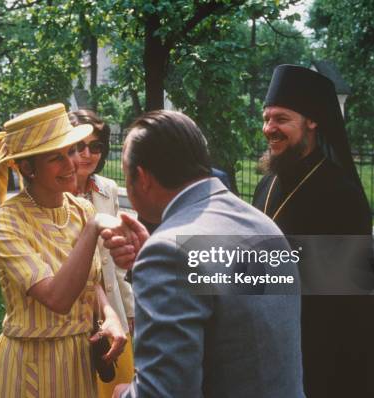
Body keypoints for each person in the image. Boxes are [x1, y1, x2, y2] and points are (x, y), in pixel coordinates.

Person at [102, 110, 304, 398]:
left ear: (143, 178)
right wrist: (147, 258)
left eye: (126, 174)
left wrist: (121, 394)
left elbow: (164, 392)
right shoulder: (261, 224)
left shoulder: (168, 253)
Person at [252, 64, 374, 397]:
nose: (270, 128)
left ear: (312, 121)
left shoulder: (340, 194)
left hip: (321, 353)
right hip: (266, 344)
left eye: (281, 119)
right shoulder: (266, 184)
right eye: (267, 118)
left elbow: (342, 300)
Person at [0, 103, 127, 398]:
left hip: (79, 359)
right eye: (56, 158)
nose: (71, 163)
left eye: (71, 151)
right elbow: (57, 298)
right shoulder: (5, 222)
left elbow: (91, 280)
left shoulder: (81, 209)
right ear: (27, 168)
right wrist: (94, 226)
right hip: (31, 364)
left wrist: (109, 313)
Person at [68, 109, 135, 398]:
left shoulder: (107, 190)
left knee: (114, 383)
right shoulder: (55, 194)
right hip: (72, 310)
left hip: (113, 307)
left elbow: (117, 264)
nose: (87, 154)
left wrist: (129, 309)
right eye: (78, 146)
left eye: (95, 146)